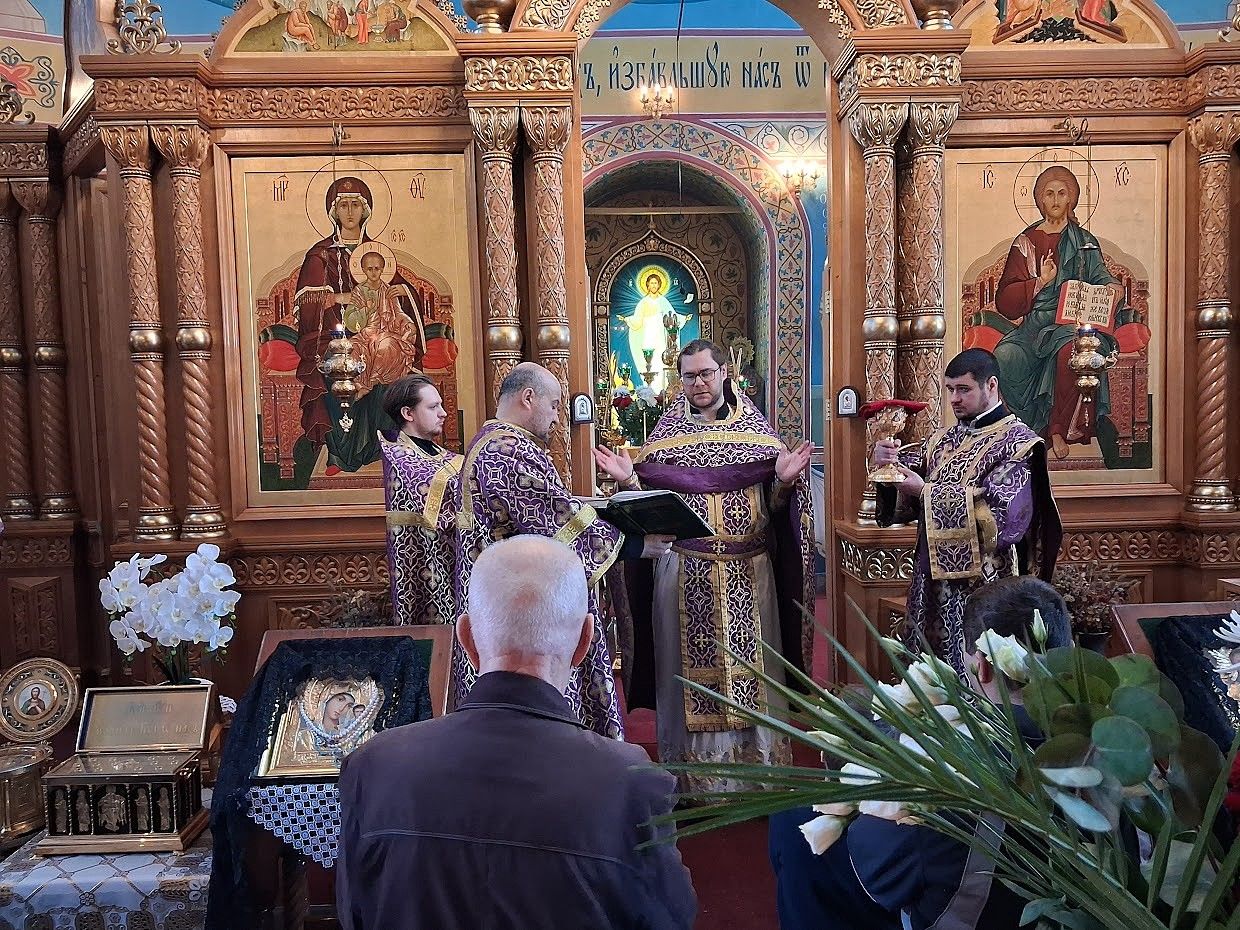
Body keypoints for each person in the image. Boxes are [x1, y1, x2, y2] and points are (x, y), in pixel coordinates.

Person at [336, 536, 697, 930]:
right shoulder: (631, 782)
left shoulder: (373, 766)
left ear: (467, 639)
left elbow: (355, 913)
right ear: (584, 641)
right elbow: (670, 918)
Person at [768, 575, 1072, 930]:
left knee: (794, 828)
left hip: (976, 915)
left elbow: (875, 865)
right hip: (1062, 910)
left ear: (982, 665)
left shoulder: (963, 766)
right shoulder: (1102, 735)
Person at [594, 339, 816, 792]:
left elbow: (777, 511)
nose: (698, 383)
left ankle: (758, 777)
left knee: (754, 673)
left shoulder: (759, 437)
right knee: (684, 676)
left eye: (706, 373)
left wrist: (784, 484)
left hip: (748, 575)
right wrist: (629, 479)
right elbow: (653, 503)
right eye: (690, 376)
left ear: (724, 373)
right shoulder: (665, 440)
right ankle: (696, 780)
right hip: (684, 572)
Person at [454, 363, 674, 738]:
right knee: (539, 715)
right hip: (525, 611)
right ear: (528, 398)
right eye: (555, 405)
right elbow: (556, 524)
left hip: (504, 600)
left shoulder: (487, 444)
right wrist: (637, 544)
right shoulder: (508, 451)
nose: (558, 418)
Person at [871, 348, 1062, 675]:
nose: (954, 399)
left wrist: (926, 492)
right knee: (933, 675)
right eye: (950, 390)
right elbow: (906, 493)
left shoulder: (1019, 444)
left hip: (985, 583)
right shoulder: (941, 440)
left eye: (964, 389)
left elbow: (1002, 520)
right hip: (931, 583)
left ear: (991, 385)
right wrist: (887, 466)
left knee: (980, 673)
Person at [993, 165, 1145, 464]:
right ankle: (1022, 428)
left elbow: (1102, 277)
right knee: (1005, 355)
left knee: (1070, 352)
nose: (1055, 200)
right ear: (1040, 199)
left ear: (1071, 198)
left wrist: (1113, 287)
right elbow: (1005, 300)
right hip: (1035, 325)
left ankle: (1058, 430)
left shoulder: (1084, 240)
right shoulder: (1026, 242)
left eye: (1061, 193)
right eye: (1049, 194)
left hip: (1074, 321)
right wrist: (1040, 282)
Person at [293, 176, 428, 479]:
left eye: (356, 204)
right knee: (337, 363)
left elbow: (401, 293)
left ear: (366, 210)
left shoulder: (376, 254)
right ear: (333, 211)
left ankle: (386, 447)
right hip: (333, 336)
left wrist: (402, 293)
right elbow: (309, 302)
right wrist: (339, 298)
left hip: (379, 335)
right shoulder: (320, 255)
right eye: (343, 205)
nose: (350, 211)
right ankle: (340, 454)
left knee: (389, 358)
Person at [380, 373, 460, 628]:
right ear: (408, 413)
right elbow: (443, 514)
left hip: (456, 567)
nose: (443, 413)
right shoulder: (401, 458)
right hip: (425, 572)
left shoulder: (447, 457)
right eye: (433, 407)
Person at [346, 245, 424, 395]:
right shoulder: (359, 291)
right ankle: (360, 385)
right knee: (351, 348)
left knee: (386, 346)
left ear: (382, 269)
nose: (374, 272)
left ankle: (372, 383)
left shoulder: (388, 290)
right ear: (363, 270)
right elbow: (351, 321)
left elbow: (398, 313)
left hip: (386, 333)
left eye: (377, 268)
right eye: (370, 269)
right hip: (366, 335)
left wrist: (408, 323)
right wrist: (366, 310)